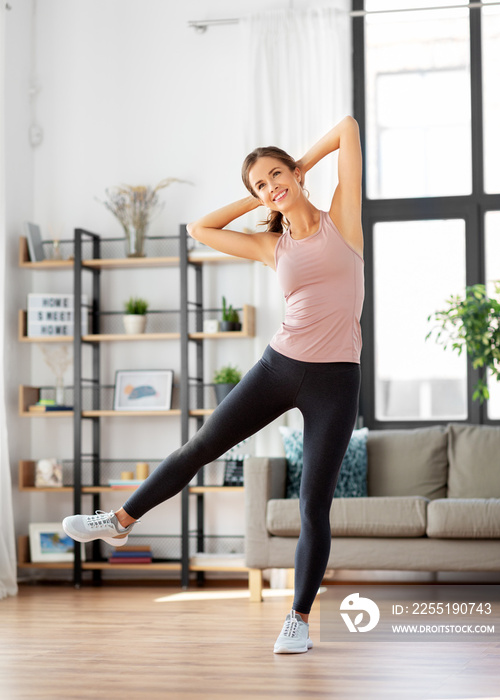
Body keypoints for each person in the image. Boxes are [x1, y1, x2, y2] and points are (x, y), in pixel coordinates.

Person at [63, 115, 365, 654]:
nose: (272, 185)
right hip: (279, 366)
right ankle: (121, 520)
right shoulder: (272, 246)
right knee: (200, 446)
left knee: (313, 502)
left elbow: (347, 128)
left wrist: (296, 166)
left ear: (296, 174)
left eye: (277, 175)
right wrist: (260, 203)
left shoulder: (342, 218)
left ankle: (297, 618)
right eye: (260, 184)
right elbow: (198, 230)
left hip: (336, 381)